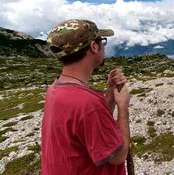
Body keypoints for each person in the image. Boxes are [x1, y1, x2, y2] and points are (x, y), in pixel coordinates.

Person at [41, 19, 131, 175]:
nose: (104, 46)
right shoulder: (86, 103)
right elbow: (118, 156)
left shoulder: (55, 89)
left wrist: (109, 94)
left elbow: (93, 128)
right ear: (94, 47)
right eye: (102, 41)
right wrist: (123, 108)